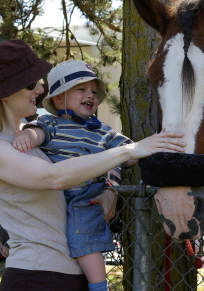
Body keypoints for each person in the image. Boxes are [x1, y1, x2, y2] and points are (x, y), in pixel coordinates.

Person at [0, 39, 186, 291]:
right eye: (31, 84)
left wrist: (110, 189)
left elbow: (83, 159)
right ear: (5, 93)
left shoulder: (30, 138)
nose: (41, 89)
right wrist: (131, 149)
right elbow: (53, 178)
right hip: (37, 278)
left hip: (66, 274)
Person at [12, 60, 137, 291]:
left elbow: (128, 154)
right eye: (81, 89)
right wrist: (27, 136)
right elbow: (38, 133)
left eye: (94, 91)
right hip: (50, 195)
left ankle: (99, 286)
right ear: (58, 98)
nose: (90, 95)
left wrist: (139, 153)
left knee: (84, 239)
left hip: (84, 195)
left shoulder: (103, 132)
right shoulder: (51, 123)